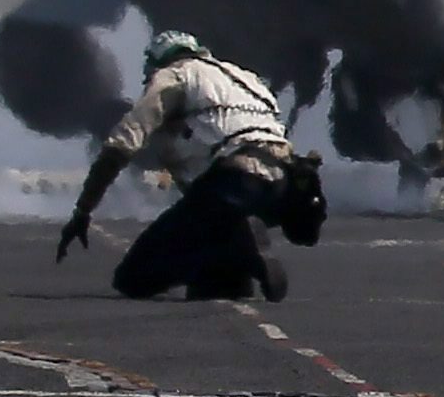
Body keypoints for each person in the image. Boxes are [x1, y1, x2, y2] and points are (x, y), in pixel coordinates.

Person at [57, 30, 325, 301]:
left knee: (132, 278)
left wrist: (83, 210)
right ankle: (234, 255)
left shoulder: (174, 75)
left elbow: (121, 145)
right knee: (212, 286)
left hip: (234, 183)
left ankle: (240, 243)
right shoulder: (246, 79)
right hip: (282, 187)